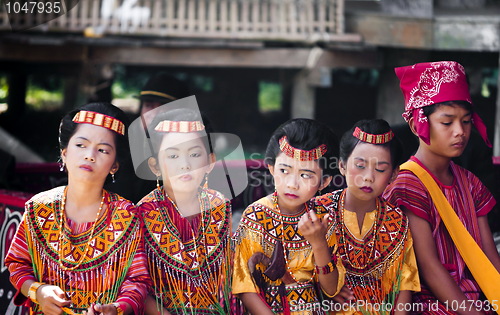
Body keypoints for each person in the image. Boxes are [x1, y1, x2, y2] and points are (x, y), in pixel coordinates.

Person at [5, 102, 150, 315]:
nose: (90, 155)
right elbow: (17, 265)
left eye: (103, 150)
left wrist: (117, 309)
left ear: (114, 165)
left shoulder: (127, 216)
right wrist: (39, 291)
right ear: (64, 153)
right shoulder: (38, 209)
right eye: (81, 145)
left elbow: (137, 280)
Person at [384, 61, 500, 314]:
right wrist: (473, 312)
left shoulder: (471, 183)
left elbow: (489, 255)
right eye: (447, 123)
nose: (460, 132)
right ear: (417, 126)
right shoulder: (407, 185)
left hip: (479, 298)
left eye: (466, 121)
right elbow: (429, 266)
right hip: (429, 304)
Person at [232, 118, 345, 315]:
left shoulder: (324, 219)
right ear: (271, 169)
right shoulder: (256, 215)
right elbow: (244, 286)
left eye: (306, 175)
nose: (292, 184)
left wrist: (318, 242)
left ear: (324, 182)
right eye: (284, 170)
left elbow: (331, 289)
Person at [134, 103, 233, 314]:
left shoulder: (220, 206)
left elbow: (228, 277)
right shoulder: (141, 213)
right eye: (172, 156)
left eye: (195, 154)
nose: (185, 164)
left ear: (210, 161)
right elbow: (137, 285)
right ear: (155, 167)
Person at [316, 119, 420, 314]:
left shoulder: (397, 221)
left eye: (380, 169)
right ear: (342, 166)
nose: (368, 177)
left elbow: (404, 286)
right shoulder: (318, 211)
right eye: (360, 165)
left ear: (393, 174)